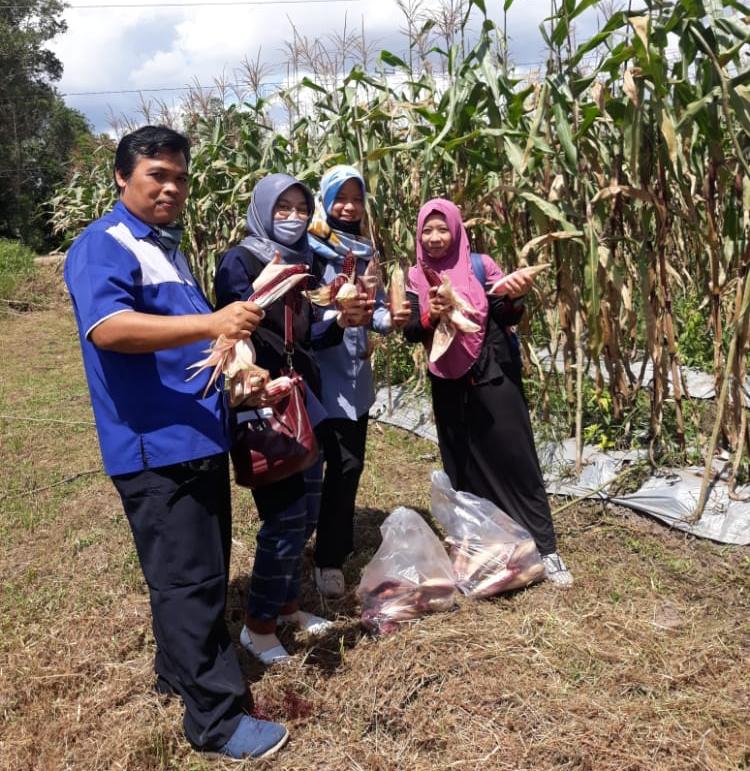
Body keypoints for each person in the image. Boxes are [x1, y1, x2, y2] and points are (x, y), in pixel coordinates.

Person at [63, 125, 289, 760]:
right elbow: (109, 329)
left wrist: (239, 380)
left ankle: (178, 674)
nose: (170, 188)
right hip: (155, 446)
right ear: (121, 178)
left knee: (197, 572)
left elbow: (190, 349)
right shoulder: (104, 245)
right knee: (188, 580)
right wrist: (213, 319)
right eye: (156, 175)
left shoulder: (167, 250)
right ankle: (215, 721)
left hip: (194, 437)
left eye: (179, 178)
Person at [214, 173, 368, 664]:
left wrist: (339, 319)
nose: (294, 216)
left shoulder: (303, 263)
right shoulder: (239, 261)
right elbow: (241, 329)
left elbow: (309, 338)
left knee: (304, 515)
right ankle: (257, 627)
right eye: (283, 208)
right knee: (282, 518)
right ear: (262, 209)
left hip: (306, 401)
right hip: (266, 405)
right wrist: (271, 285)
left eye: (302, 209)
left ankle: (287, 606)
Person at [402, 198, 573, 587]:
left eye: (442, 228)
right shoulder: (416, 277)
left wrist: (515, 295)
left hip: (494, 374)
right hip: (447, 382)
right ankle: (484, 551)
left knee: (516, 459)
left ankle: (545, 548)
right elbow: (412, 330)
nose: (434, 237)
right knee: (462, 465)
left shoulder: (481, 266)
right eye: (427, 230)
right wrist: (433, 312)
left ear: (457, 230)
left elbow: (506, 315)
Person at [306, 165, 411, 597]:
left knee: (348, 467)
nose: (348, 206)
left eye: (356, 198)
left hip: (353, 381)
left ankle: (331, 555)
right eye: (340, 197)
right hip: (315, 377)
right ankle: (296, 542)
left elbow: (378, 310)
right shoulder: (306, 250)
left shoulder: (365, 253)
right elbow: (300, 313)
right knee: (310, 470)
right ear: (325, 201)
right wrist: (337, 313)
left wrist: (394, 319)